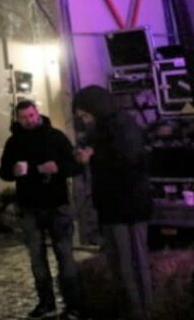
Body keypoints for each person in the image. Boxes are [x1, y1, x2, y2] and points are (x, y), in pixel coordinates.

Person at [73, 85, 153, 320]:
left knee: (130, 264)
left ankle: (139, 311)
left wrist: (93, 158)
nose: (84, 120)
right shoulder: (105, 129)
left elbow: (127, 163)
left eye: (85, 115)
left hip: (126, 207)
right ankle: (131, 308)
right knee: (121, 264)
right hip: (114, 206)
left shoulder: (120, 126)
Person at [0, 99, 83, 319]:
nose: (28, 120)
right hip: (29, 206)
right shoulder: (13, 142)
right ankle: (46, 303)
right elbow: (4, 172)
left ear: (38, 114)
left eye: (31, 116)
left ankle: (73, 305)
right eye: (24, 117)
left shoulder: (56, 137)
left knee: (64, 256)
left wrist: (59, 168)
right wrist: (13, 171)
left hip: (57, 204)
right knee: (37, 258)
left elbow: (75, 165)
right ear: (18, 119)